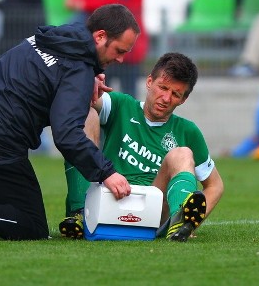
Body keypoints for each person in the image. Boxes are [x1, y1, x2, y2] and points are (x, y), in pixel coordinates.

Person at [0, 4, 141, 243]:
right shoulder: (78, 70)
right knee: (30, 226)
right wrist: (107, 173)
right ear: (100, 36)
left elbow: (55, 73)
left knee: (5, 194)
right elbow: (67, 135)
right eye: (119, 50)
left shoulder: (58, 37)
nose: (120, 59)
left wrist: (91, 74)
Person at [59, 52, 224, 242]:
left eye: (175, 94)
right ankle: (80, 212)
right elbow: (80, 98)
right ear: (149, 82)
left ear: (183, 100)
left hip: (152, 213)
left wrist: (194, 222)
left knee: (182, 153)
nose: (166, 98)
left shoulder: (187, 131)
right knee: (85, 114)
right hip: (107, 200)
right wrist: (88, 80)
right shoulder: (122, 106)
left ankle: (180, 221)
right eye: (162, 87)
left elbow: (215, 185)